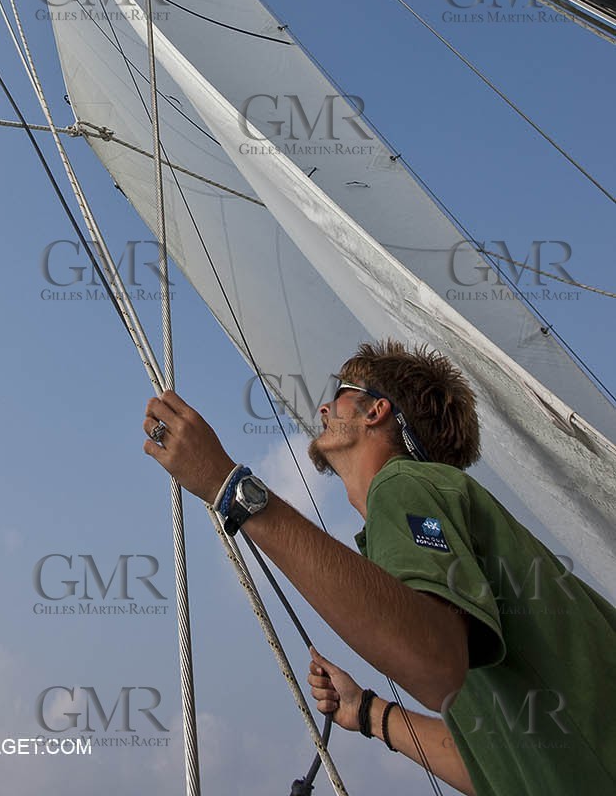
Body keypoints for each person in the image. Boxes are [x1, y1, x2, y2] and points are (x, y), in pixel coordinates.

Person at [142, 339, 616, 795]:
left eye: (340, 395)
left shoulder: (403, 484)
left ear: (376, 410)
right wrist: (366, 711)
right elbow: (496, 771)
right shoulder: (437, 514)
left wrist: (229, 486)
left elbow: (433, 662)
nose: (323, 409)